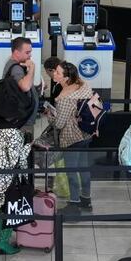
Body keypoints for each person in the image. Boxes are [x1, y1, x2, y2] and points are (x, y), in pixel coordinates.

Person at [0, 86, 33, 256]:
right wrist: (27, 144)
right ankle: (2, 243)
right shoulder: (12, 133)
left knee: (3, 208)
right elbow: (15, 160)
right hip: (7, 178)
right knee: (11, 209)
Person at [46, 62, 95, 214]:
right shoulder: (84, 85)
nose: (54, 74)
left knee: (71, 171)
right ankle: (86, 199)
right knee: (84, 167)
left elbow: (59, 124)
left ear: (66, 78)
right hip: (87, 133)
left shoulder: (64, 98)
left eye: (58, 73)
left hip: (72, 138)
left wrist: (50, 115)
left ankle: (74, 204)